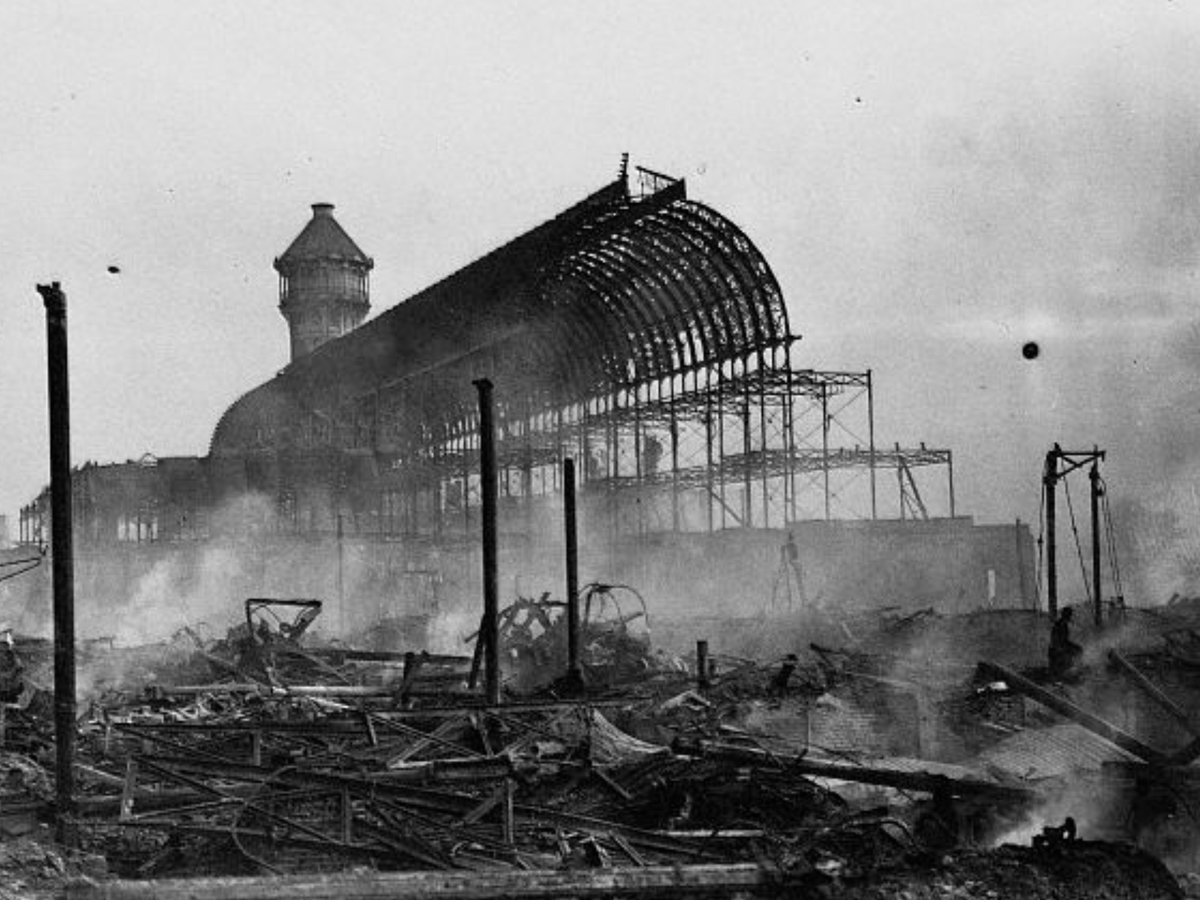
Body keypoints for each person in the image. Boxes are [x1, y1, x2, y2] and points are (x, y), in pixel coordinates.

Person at [1048, 607, 1083, 678]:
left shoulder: (1064, 625)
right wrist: (1065, 650)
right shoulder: (1058, 625)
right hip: (1055, 651)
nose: (1070, 617)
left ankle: (1074, 669)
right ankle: (1065, 671)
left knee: (1078, 649)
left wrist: (1075, 647)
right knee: (1068, 654)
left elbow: (1065, 640)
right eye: (1069, 615)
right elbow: (1055, 642)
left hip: (1060, 648)